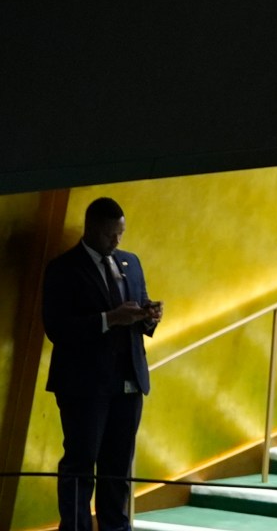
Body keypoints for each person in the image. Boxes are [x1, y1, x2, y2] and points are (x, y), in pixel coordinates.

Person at [41, 198, 160, 531]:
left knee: (118, 467)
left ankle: (115, 527)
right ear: (91, 228)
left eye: (120, 234)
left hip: (128, 382)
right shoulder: (63, 268)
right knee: (80, 463)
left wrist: (150, 317)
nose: (117, 241)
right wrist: (110, 319)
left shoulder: (131, 263)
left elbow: (137, 315)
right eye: (110, 234)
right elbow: (57, 328)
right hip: (84, 386)